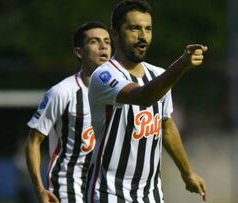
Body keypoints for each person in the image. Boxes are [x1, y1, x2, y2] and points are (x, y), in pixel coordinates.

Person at [86, 0, 208, 202]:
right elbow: (143, 96)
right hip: (109, 194)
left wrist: (187, 172)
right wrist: (182, 65)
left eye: (148, 29)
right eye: (134, 28)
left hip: (151, 196)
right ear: (115, 34)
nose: (143, 36)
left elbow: (166, 126)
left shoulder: (158, 75)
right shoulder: (104, 76)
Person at [25, 21, 111, 203]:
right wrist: (40, 189)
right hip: (69, 186)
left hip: (105, 187)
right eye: (95, 41)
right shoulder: (62, 92)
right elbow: (33, 142)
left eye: (107, 41)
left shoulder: (120, 92)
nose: (103, 46)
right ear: (79, 52)